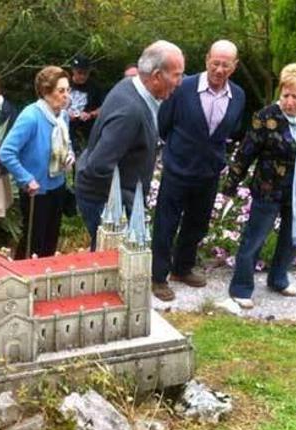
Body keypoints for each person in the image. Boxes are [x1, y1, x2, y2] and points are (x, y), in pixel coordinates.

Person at [223, 63, 296, 310]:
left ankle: (279, 278)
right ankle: (241, 288)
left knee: (292, 237)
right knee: (254, 238)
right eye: (285, 95)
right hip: (268, 188)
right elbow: (245, 154)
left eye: (295, 97)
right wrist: (229, 187)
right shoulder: (266, 117)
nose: (289, 102)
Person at [151, 40, 246, 301]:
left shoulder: (238, 95)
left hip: (209, 172)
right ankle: (158, 277)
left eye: (225, 65)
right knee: (166, 224)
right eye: (215, 63)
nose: (219, 69)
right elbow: (163, 124)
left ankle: (182, 268)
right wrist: (178, 150)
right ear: (206, 60)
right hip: (178, 168)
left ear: (234, 67)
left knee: (197, 224)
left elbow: (232, 129)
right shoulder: (183, 87)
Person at [75, 40, 185, 250]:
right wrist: (131, 201)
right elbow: (99, 166)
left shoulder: (130, 85)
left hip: (107, 196)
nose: (180, 82)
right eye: (177, 75)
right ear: (156, 77)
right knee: (113, 263)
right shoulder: (131, 112)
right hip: (105, 202)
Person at [0, 66, 72, 259]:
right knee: (33, 243)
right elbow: (6, 152)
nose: (66, 96)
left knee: (51, 240)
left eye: (68, 90)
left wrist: (69, 154)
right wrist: (26, 178)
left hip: (58, 184)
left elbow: (66, 142)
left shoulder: (62, 116)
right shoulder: (31, 116)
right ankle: (22, 282)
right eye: (61, 91)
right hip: (36, 191)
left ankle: (45, 280)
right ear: (46, 92)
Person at [67, 55, 104, 152]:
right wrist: (65, 113)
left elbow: (104, 107)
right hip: (67, 128)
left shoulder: (95, 87)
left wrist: (90, 114)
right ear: (73, 70)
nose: (82, 76)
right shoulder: (65, 84)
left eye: (85, 73)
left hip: (87, 130)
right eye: (79, 73)